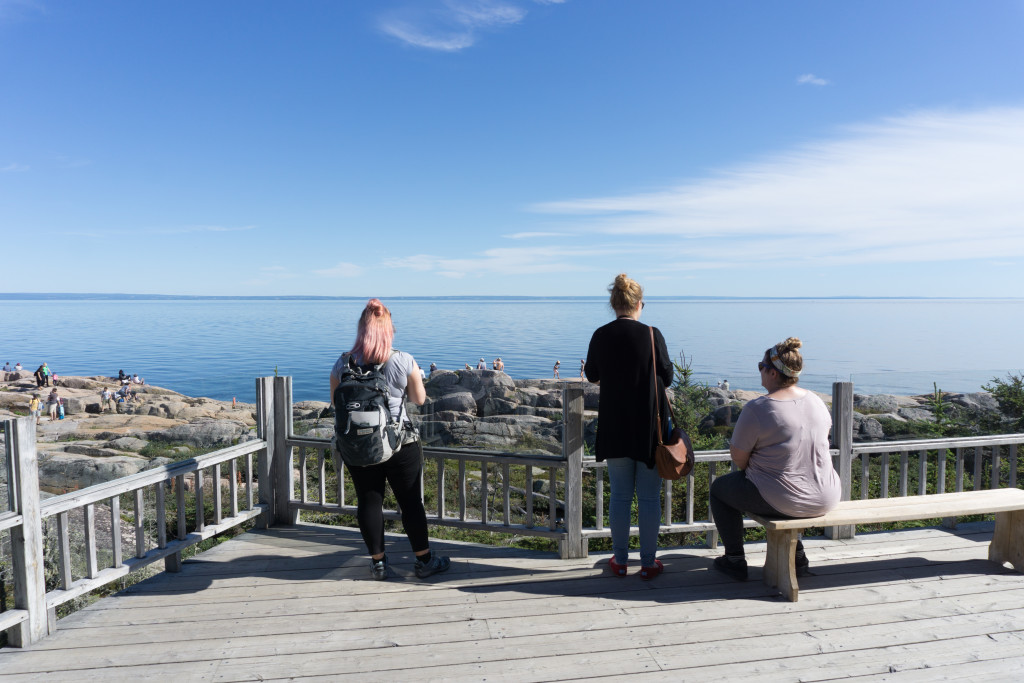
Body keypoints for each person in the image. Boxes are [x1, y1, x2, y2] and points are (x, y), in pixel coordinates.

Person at [329, 298, 450, 581]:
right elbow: (419, 399)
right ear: (389, 329)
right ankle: (423, 561)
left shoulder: (343, 362)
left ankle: (378, 564)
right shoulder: (402, 359)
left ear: (361, 329)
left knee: (369, 501)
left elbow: (336, 403)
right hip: (400, 443)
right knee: (410, 502)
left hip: (358, 444)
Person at [709, 337, 841, 581]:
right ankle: (796, 555)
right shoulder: (816, 401)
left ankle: (734, 559)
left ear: (771, 372)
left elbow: (739, 458)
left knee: (720, 489)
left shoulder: (758, 408)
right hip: (827, 495)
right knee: (781, 488)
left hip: (788, 498)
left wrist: (761, 470)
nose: (759, 371)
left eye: (761, 366)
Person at [584, 274, 672, 580]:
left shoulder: (600, 335)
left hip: (615, 426)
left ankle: (619, 561)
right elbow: (668, 376)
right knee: (648, 498)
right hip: (649, 430)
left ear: (614, 304)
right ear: (638, 304)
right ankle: (648, 564)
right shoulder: (651, 333)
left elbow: (592, 375)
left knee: (620, 496)